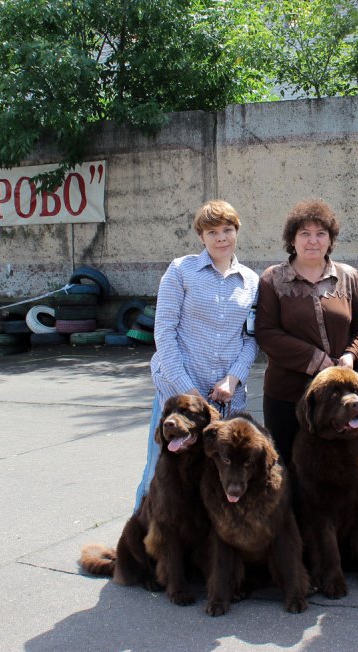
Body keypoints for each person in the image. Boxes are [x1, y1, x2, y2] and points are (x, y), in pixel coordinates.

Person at [133, 200, 259, 510]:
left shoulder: (252, 282)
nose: (221, 238)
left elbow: (252, 339)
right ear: (201, 237)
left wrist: (233, 379)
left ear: (237, 232)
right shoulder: (181, 271)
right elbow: (164, 332)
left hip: (224, 400)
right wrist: (186, 390)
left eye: (227, 230)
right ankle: (138, 544)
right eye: (212, 231)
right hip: (178, 396)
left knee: (211, 477)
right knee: (160, 473)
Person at [255, 199, 358, 466]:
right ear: (292, 239)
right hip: (286, 396)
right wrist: (315, 360)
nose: (313, 241)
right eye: (305, 234)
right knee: (287, 472)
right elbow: (266, 332)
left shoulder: (350, 277)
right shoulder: (272, 279)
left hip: (340, 401)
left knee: (342, 474)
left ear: (330, 239)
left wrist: (350, 357)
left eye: (321, 233)